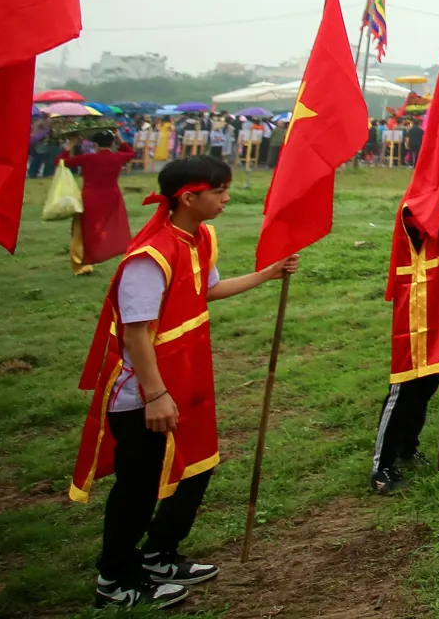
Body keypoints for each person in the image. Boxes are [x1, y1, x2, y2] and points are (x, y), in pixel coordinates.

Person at [69, 156, 298, 610]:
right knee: (139, 486)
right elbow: (136, 334)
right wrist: (155, 395)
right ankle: (115, 577)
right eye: (219, 190)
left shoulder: (199, 237)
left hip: (187, 377)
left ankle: (159, 554)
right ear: (189, 197)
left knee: (196, 467)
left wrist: (267, 274)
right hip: (145, 392)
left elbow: (206, 290)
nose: (227, 198)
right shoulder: (149, 257)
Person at [373, 155, 439, 494]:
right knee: (406, 385)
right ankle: (381, 466)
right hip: (416, 305)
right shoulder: (414, 204)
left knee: (429, 381)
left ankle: (408, 447)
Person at [63, 135, 137, 276]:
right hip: (112, 196)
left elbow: (61, 162)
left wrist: (70, 145)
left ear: (95, 145)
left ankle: (82, 263)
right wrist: (119, 138)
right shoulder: (117, 157)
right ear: (112, 144)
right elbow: (131, 153)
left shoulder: (88, 158)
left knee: (82, 230)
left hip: (90, 197)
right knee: (106, 226)